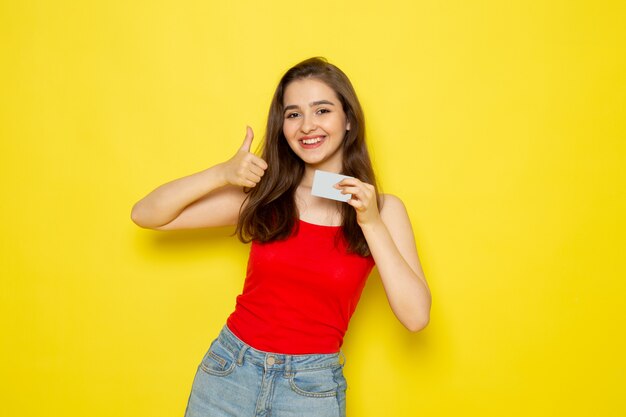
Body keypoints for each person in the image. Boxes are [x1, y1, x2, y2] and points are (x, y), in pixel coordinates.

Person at [131, 57, 431, 417]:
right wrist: (221, 173)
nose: (307, 126)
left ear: (348, 119)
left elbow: (416, 317)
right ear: (282, 126)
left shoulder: (384, 210)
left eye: (322, 110)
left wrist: (369, 221)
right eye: (293, 114)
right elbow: (146, 214)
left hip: (310, 389)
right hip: (229, 372)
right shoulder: (267, 194)